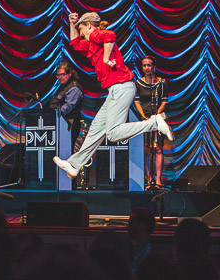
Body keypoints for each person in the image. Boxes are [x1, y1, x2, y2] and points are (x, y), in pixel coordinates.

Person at [53, 12, 173, 179]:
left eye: (81, 30)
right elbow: (74, 43)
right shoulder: (92, 43)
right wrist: (72, 24)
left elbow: (110, 34)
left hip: (122, 87)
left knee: (113, 134)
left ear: (89, 26)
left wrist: (106, 58)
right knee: (95, 129)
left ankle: (154, 122)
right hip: (115, 89)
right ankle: (74, 165)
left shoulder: (95, 35)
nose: (81, 35)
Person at [133, 55, 168, 188]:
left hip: (158, 117)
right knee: (146, 149)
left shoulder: (161, 83)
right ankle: (148, 179)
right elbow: (136, 101)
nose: (146, 68)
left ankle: (158, 179)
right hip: (145, 118)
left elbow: (164, 101)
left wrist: (157, 115)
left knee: (158, 148)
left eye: (149, 65)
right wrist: (143, 116)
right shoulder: (138, 83)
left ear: (153, 66)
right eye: (144, 65)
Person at [48, 60, 84, 142]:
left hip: (69, 124)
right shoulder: (63, 86)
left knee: (66, 150)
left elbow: (68, 107)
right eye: (58, 75)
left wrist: (52, 115)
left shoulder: (74, 88)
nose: (59, 77)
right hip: (61, 123)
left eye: (62, 74)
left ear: (69, 74)